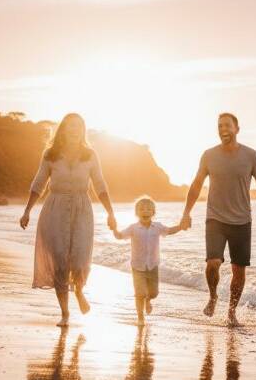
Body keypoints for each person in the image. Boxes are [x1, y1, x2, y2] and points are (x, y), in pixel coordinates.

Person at [19, 113, 117, 327]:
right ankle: (65, 313)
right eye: (70, 126)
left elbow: (100, 185)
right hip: (55, 208)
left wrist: (110, 212)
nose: (74, 130)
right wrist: (27, 211)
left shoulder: (90, 155)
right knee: (60, 264)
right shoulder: (50, 155)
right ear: (63, 129)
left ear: (83, 130)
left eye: (78, 126)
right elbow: (39, 183)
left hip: (82, 209)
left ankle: (79, 290)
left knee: (80, 260)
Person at [180, 113, 256, 327]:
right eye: (220, 126)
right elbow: (195, 185)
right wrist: (186, 212)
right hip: (215, 219)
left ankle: (231, 312)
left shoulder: (251, 156)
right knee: (213, 264)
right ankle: (213, 296)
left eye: (227, 126)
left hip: (242, 221)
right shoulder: (209, 155)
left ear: (237, 129)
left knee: (239, 271)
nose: (223, 129)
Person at [113, 196, 183, 325]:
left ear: (153, 212)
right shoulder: (133, 228)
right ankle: (140, 317)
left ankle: (148, 300)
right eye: (141, 209)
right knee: (139, 293)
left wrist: (181, 226)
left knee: (154, 293)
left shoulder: (157, 227)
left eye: (148, 209)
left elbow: (169, 230)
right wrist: (114, 229)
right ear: (136, 213)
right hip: (137, 266)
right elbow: (120, 236)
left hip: (153, 265)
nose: (145, 211)